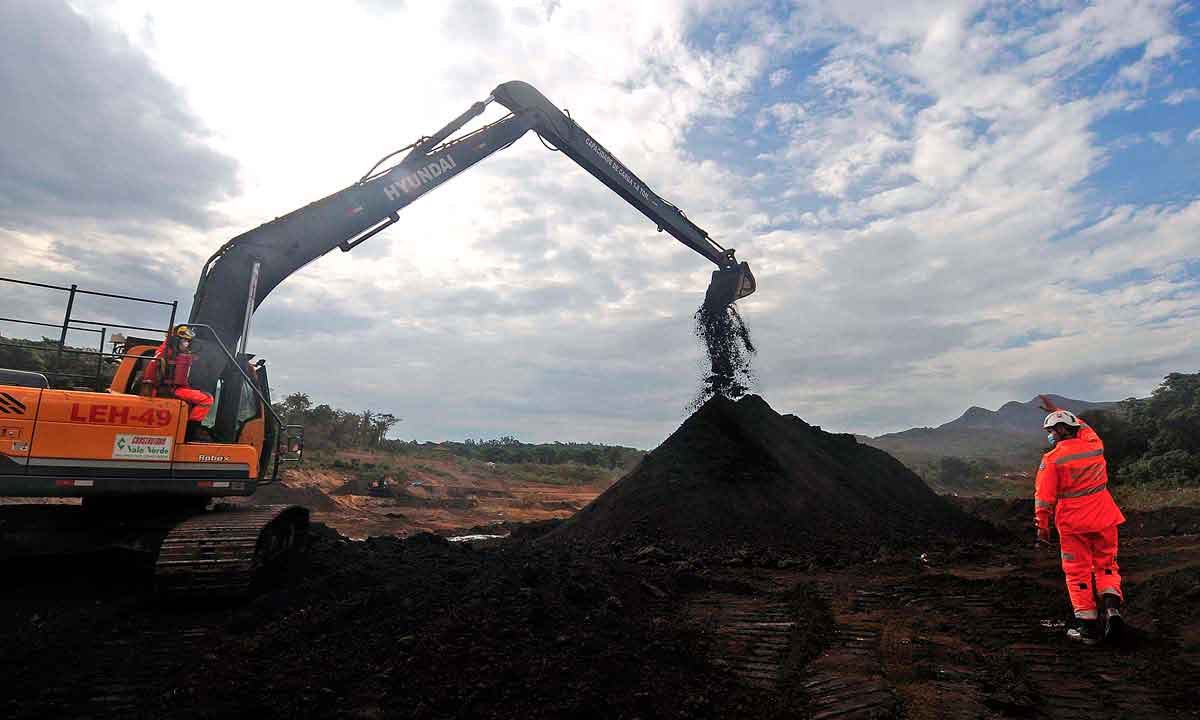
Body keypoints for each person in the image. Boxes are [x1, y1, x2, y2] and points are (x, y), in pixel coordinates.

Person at [1035, 395, 1126, 644]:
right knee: (1107, 565)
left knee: (1077, 571)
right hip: (1105, 516)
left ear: (1061, 431)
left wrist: (1042, 529)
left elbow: (1044, 500)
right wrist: (1060, 411)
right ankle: (1111, 607)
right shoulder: (1094, 445)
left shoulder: (1052, 460)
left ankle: (1087, 626)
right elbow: (1085, 428)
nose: (1050, 434)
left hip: (1074, 524)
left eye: (1052, 430)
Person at [144, 325, 214, 434]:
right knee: (206, 399)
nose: (186, 344)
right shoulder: (165, 352)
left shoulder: (174, 353)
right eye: (184, 340)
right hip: (169, 390)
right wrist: (149, 389)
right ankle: (189, 433)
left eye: (188, 341)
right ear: (176, 340)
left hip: (173, 388)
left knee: (196, 397)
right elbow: (151, 371)